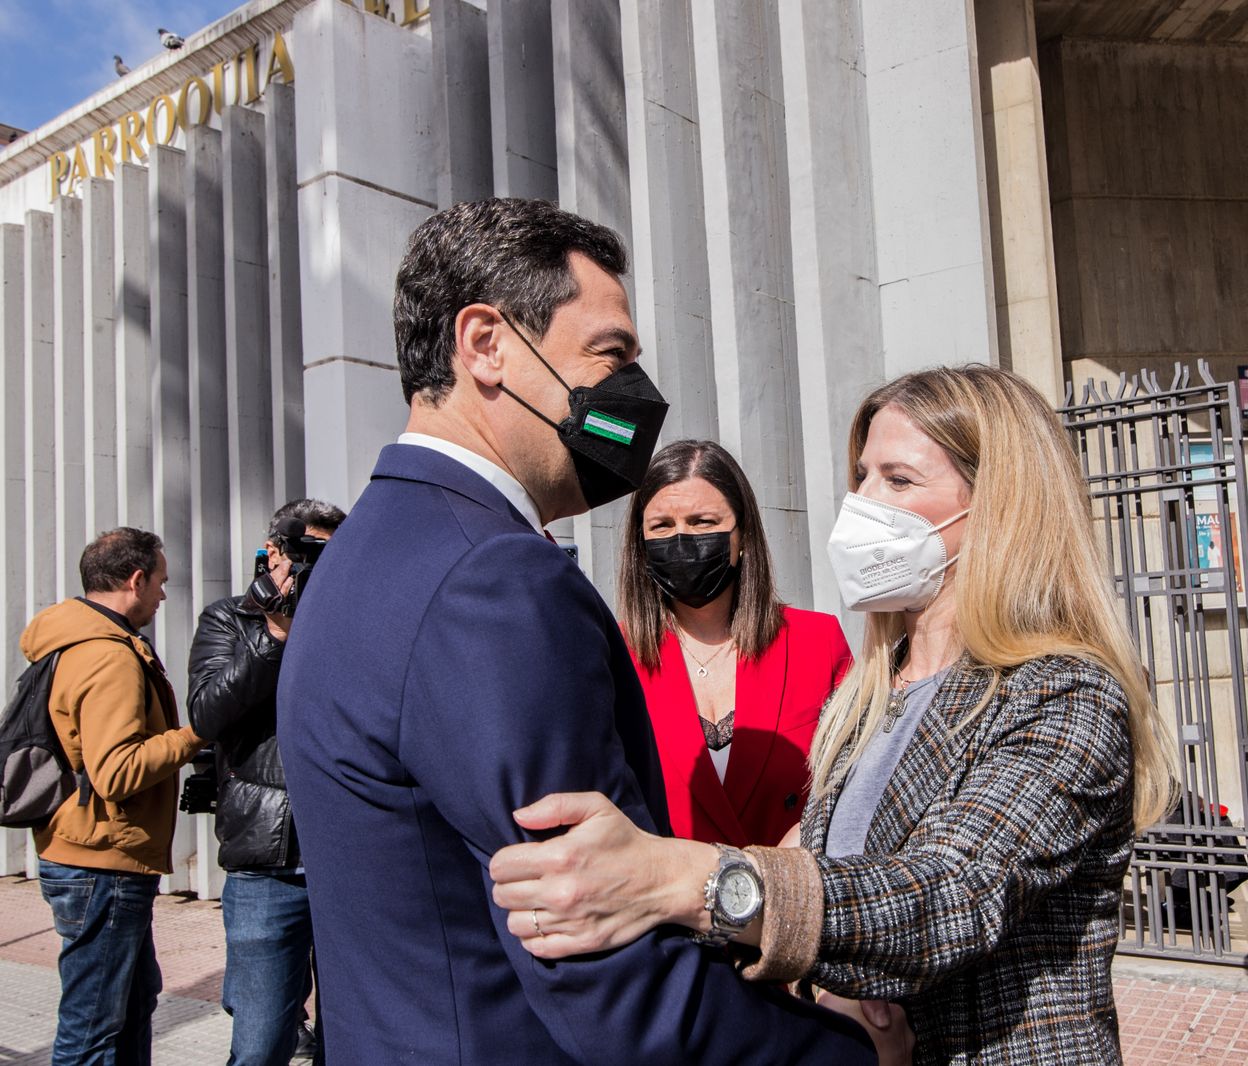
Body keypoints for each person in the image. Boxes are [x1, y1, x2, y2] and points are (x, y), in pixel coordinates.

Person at [274, 198, 875, 1065]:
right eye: (611, 356)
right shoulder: (495, 579)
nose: (632, 393)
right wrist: (846, 1055)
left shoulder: (369, 547)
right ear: (485, 344)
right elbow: (605, 970)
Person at [488, 365, 1179, 1063]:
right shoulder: (879, 688)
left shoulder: (1063, 690)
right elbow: (825, 862)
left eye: (898, 480)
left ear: (1002, 503)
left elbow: (950, 896)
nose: (862, 503)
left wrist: (678, 877)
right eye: (863, 476)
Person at [24, 528, 204, 1064]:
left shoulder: (70, 638)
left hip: (89, 854)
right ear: (135, 579)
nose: (163, 597)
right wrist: (196, 736)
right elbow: (117, 772)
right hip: (101, 864)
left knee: (128, 1004)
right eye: (161, 583)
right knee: (93, 1029)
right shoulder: (107, 655)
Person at [619, 439, 851, 847]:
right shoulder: (614, 654)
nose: (681, 539)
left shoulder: (817, 641)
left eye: (703, 522)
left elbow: (852, 786)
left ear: (741, 536)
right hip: (668, 904)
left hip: (789, 895)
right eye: (662, 526)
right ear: (641, 544)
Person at [188, 499, 346, 1066]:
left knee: (353, 1037)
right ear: (273, 552)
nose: (313, 568)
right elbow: (207, 715)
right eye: (304, 553)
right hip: (266, 862)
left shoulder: (352, 618)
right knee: (260, 1041)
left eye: (328, 554)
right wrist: (273, 634)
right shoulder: (228, 619)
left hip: (347, 857)